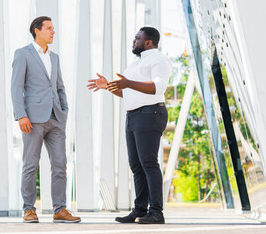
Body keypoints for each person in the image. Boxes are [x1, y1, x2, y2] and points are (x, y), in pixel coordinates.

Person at [87, 27, 171, 224]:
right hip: (133, 116)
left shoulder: (158, 59)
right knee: (136, 165)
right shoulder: (136, 63)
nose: (134, 41)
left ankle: (156, 212)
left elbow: (158, 87)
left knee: (149, 163)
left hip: (151, 113)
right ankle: (140, 210)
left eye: (137, 38)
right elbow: (128, 92)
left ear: (148, 42)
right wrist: (108, 86)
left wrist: (128, 83)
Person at [11, 16, 81, 223]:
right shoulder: (23, 54)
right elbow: (16, 87)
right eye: (49, 28)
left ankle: (60, 209)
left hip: (56, 118)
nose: (53, 32)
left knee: (60, 164)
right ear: (37, 31)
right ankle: (29, 209)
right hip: (32, 119)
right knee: (31, 165)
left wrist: (64, 110)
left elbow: (59, 86)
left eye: (53, 28)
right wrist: (21, 115)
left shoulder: (55, 57)